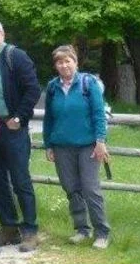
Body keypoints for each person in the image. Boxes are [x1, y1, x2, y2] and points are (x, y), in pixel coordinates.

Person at [0, 18, 42, 252]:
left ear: (2, 34)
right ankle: (9, 228)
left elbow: (33, 89)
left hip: (12, 128)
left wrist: (20, 118)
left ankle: (31, 231)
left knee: (20, 180)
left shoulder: (16, 56)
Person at [42, 45, 111, 249]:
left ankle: (102, 233)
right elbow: (49, 119)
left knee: (90, 189)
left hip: (88, 146)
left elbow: (98, 114)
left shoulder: (88, 84)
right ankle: (82, 229)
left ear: (76, 62)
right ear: (56, 65)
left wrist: (100, 141)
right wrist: (48, 144)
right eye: (60, 62)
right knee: (71, 188)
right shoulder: (53, 87)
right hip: (62, 146)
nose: (64, 65)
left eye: (67, 61)